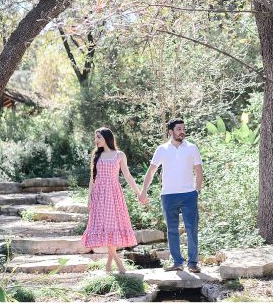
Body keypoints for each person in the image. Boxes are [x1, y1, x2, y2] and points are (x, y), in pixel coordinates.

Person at [140, 118, 204, 273]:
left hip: (189, 194)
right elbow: (152, 171)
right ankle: (177, 262)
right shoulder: (162, 149)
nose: (182, 131)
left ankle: (193, 262)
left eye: (183, 128)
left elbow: (199, 170)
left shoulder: (192, 148)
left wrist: (197, 190)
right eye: (179, 129)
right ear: (170, 131)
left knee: (191, 229)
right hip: (168, 195)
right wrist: (143, 191)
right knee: (172, 230)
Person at [81, 128, 143, 275]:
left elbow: (127, 176)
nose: (96, 140)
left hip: (113, 194)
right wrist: (89, 197)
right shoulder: (97, 155)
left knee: (112, 226)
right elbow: (92, 178)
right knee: (104, 226)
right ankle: (117, 261)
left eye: (98, 137)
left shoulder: (119, 155)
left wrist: (139, 193)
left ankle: (109, 262)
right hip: (99, 194)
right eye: (95, 137)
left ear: (106, 138)